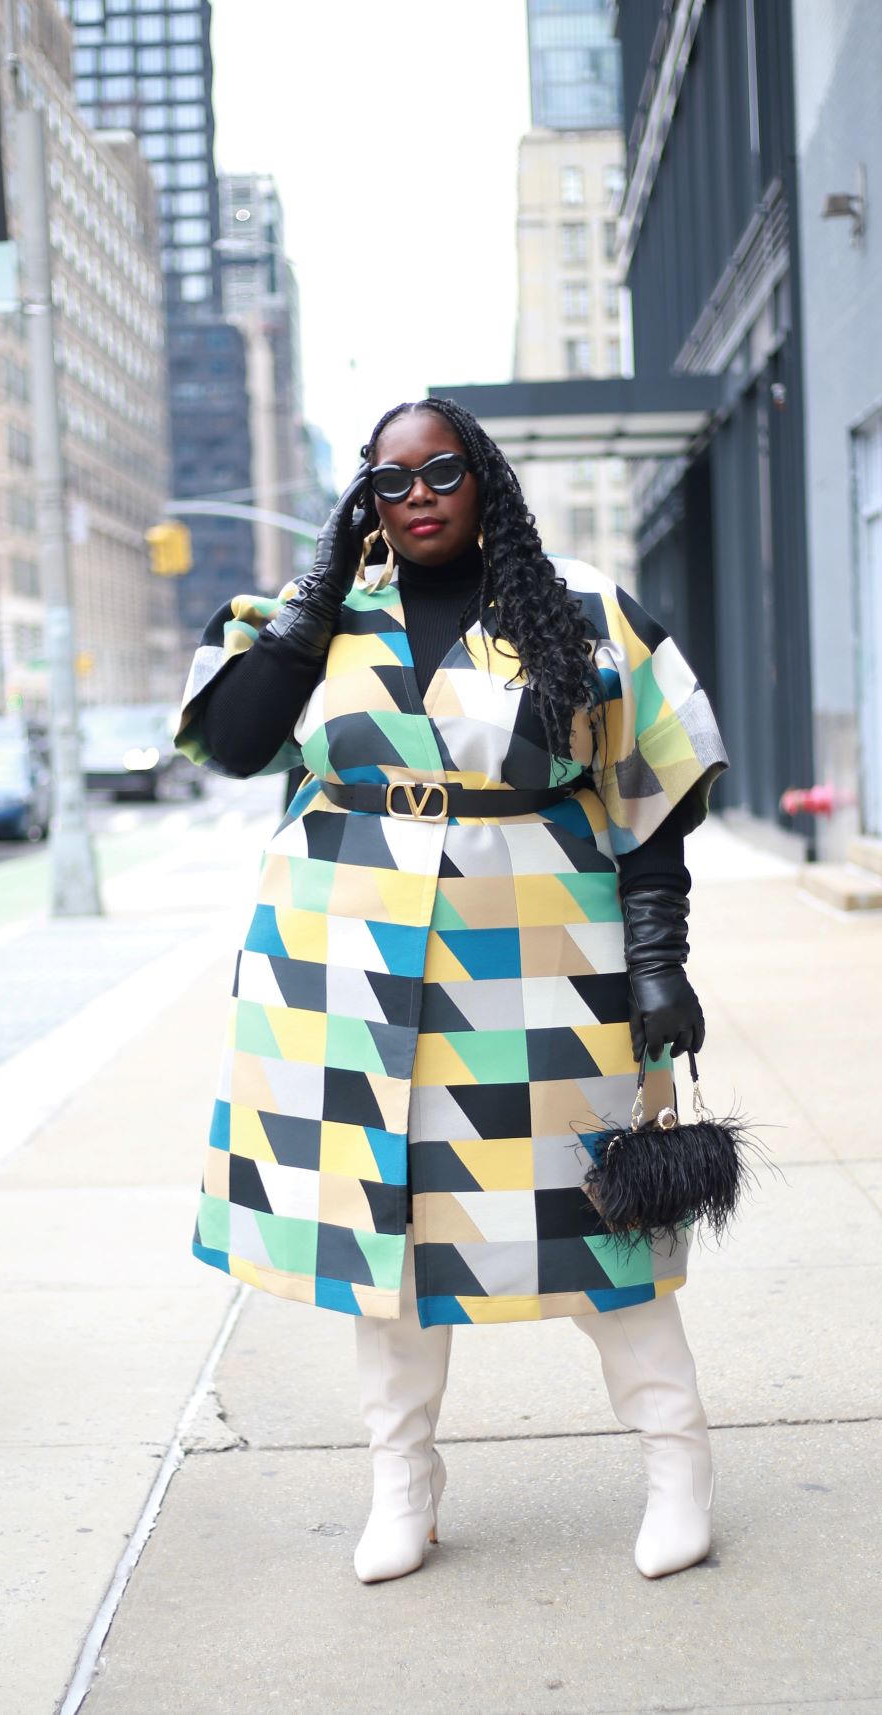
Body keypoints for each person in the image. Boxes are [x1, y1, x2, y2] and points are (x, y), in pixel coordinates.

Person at [176, 397, 728, 1584]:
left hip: (536, 958)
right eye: (389, 479)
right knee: (383, 1235)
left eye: (440, 470)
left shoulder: (579, 609)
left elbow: (652, 800)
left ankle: (678, 1462)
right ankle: (403, 1486)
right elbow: (231, 741)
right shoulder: (311, 617)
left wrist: (657, 960)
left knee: (604, 1218)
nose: (416, 494)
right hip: (340, 966)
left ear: (484, 478)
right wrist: (315, 600)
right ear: (362, 498)